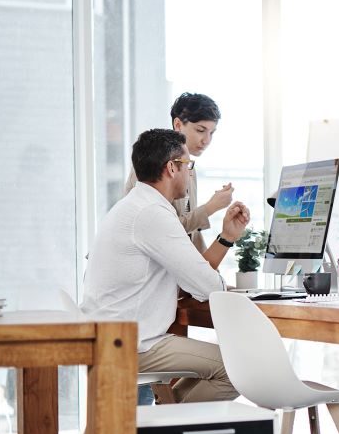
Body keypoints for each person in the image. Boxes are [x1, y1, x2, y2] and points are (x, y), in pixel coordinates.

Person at [83, 128, 250, 403]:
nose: (190, 173)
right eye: (188, 166)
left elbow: (193, 276)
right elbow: (207, 285)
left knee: (226, 363)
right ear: (172, 168)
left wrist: (226, 238)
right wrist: (217, 282)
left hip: (112, 338)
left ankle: (163, 430)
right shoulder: (152, 214)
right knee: (242, 368)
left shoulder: (136, 206)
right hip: (130, 344)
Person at [124, 92, 234, 252]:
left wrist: (208, 269)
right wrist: (210, 207)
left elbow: (189, 230)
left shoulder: (188, 167)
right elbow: (165, 230)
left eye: (212, 133)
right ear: (177, 125)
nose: (207, 140)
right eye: (201, 130)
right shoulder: (152, 163)